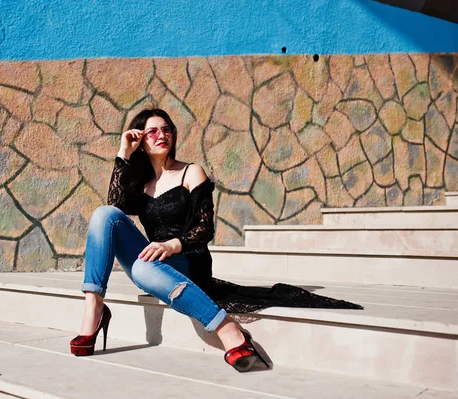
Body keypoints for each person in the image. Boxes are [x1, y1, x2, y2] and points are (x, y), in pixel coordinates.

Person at [70, 109, 361, 372]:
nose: (163, 135)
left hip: (188, 258)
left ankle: (228, 330)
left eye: (167, 129)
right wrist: (123, 153)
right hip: (155, 262)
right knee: (104, 214)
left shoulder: (191, 171)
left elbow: (204, 229)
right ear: (141, 140)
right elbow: (115, 206)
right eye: (153, 131)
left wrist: (172, 245)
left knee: (145, 267)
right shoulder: (143, 184)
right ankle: (94, 309)